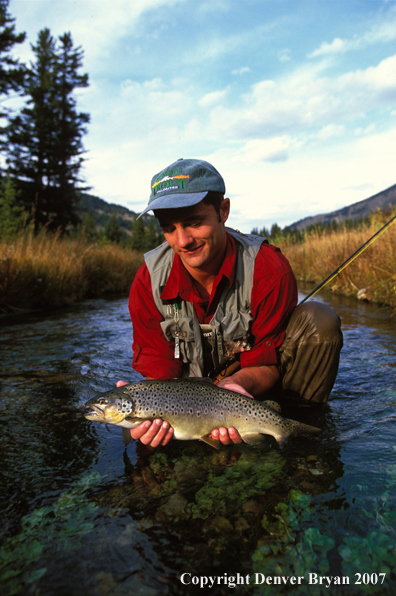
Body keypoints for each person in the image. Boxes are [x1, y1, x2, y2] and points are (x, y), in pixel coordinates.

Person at [122, 158, 343, 448]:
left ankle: (304, 432)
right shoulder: (147, 281)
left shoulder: (268, 269)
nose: (182, 240)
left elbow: (266, 364)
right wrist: (143, 413)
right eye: (168, 228)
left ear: (223, 211)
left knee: (319, 320)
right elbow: (161, 374)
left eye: (194, 223)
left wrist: (234, 389)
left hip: (252, 392)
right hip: (188, 408)